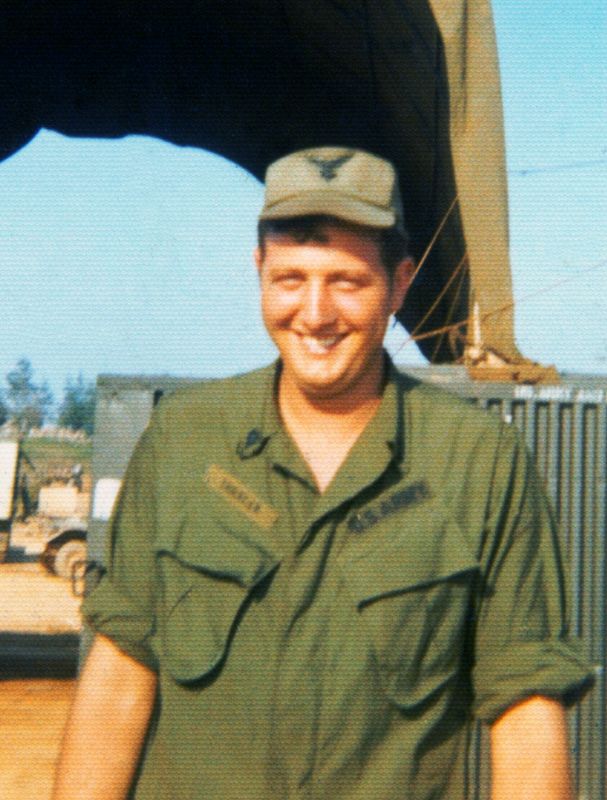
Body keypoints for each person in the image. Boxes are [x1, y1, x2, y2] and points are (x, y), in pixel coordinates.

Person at [53, 147, 594, 800]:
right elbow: (118, 673)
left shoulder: (478, 464)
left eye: (346, 281)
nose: (314, 314)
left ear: (399, 283)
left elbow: (525, 704)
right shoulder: (183, 442)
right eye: (290, 279)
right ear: (258, 272)